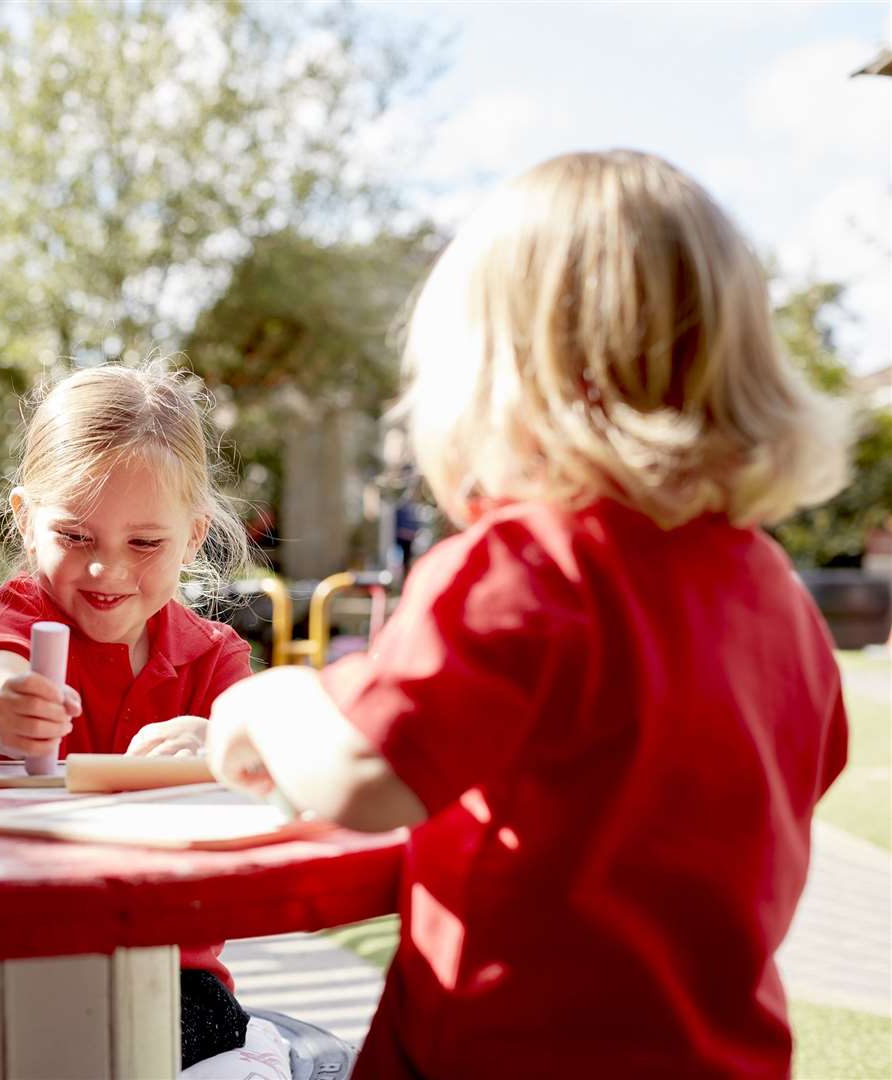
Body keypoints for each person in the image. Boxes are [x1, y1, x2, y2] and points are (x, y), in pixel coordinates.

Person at [205, 150, 852, 1078]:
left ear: (497, 378)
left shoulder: (526, 563)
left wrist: (265, 702)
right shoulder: (775, 596)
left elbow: (360, 770)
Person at [0, 361, 260, 1069]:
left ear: (192, 534)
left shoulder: (214, 660)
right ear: (27, 522)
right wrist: (5, 704)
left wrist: (224, 745)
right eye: (76, 537)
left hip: (173, 972)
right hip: (22, 951)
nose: (106, 571)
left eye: (144, 543)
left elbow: (263, 758)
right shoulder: (23, 617)